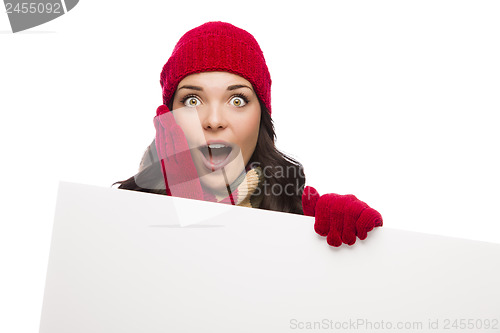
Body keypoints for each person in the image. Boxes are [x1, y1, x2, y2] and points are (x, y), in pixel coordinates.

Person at [113, 21, 383, 247]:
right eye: (193, 100)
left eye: (237, 100)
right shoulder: (119, 211)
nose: (214, 120)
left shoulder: (297, 211)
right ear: (168, 117)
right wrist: (188, 209)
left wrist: (358, 249)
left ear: (261, 118)